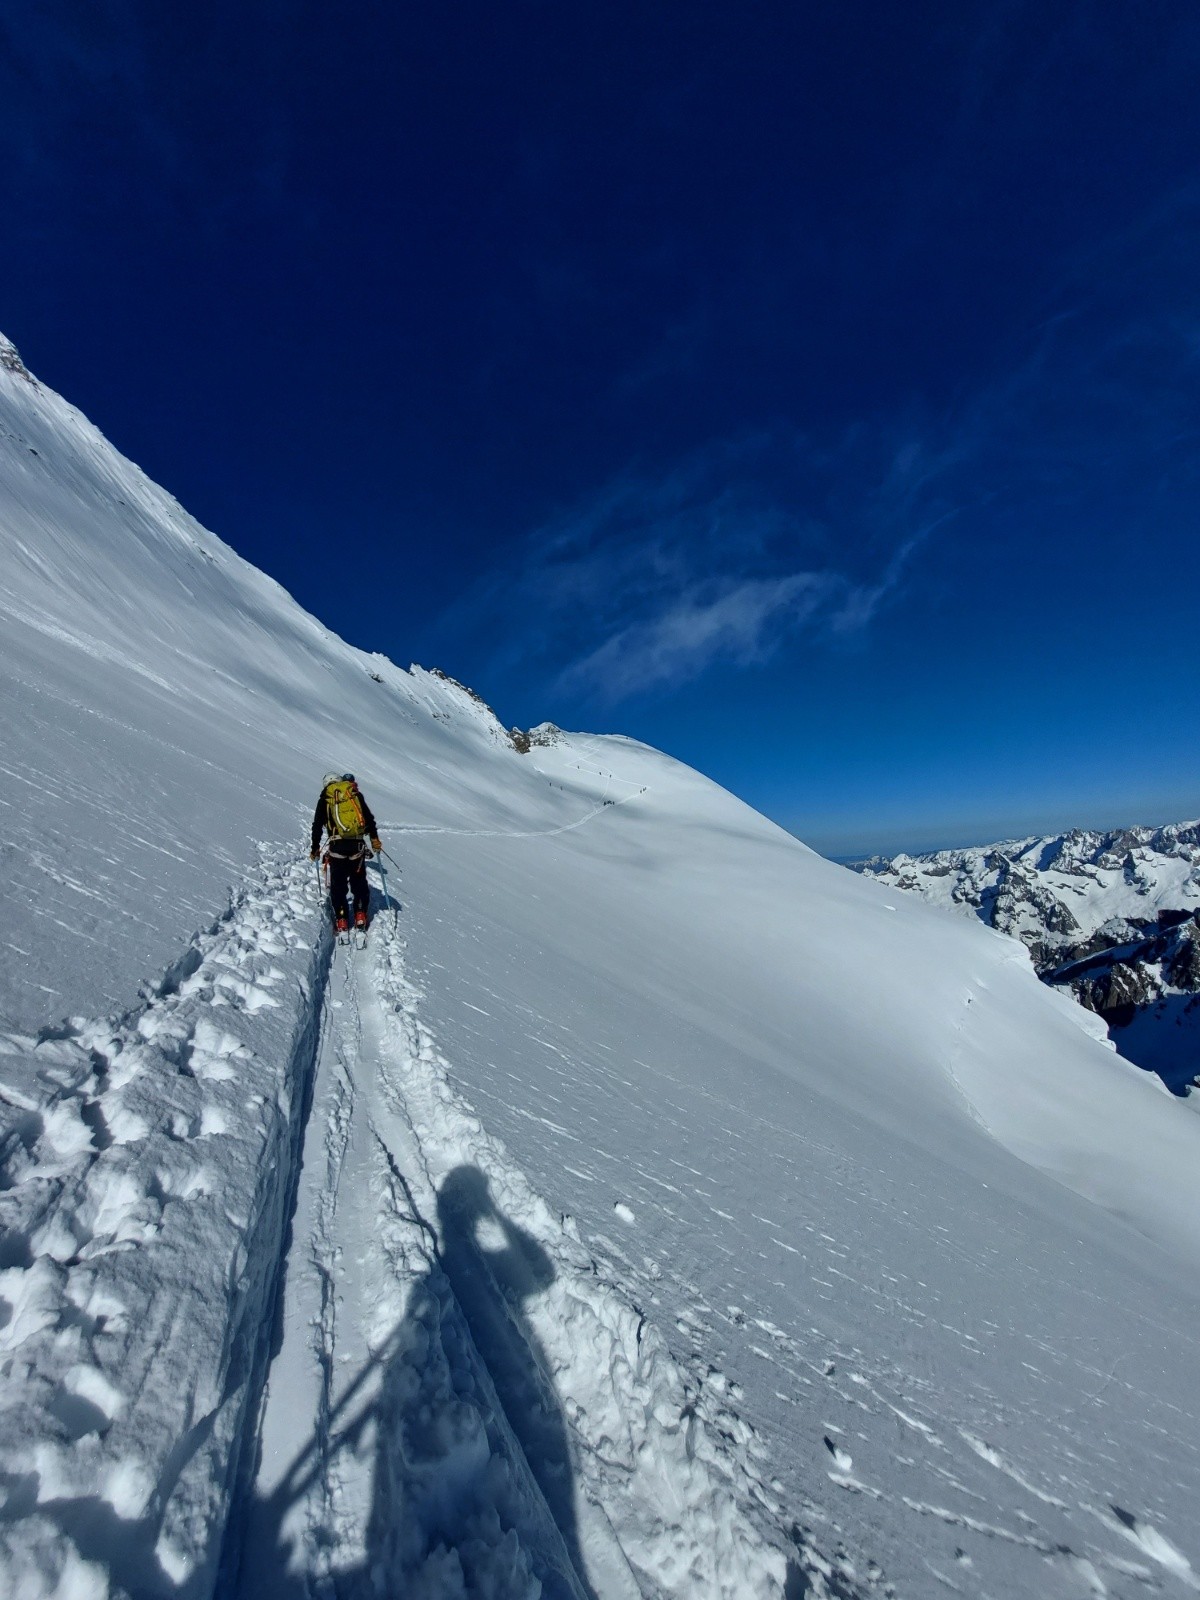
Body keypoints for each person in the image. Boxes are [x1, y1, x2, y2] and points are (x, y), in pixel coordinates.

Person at [310, 773, 382, 934]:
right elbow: (369, 819)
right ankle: (360, 914)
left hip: (337, 848)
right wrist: (374, 839)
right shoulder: (354, 794)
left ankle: (342, 919)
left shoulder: (326, 799)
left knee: (338, 884)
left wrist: (315, 848)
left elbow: (317, 826)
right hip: (357, 846)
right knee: (359, 882)